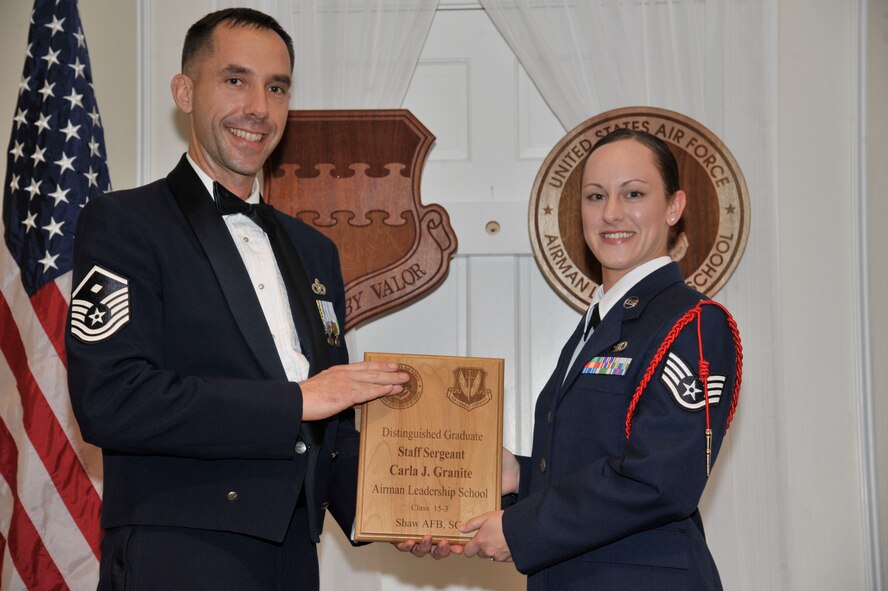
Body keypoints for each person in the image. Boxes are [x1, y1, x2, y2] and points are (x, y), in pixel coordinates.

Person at [66, 8, 408, 590]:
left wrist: (401, 514)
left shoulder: (315, 250)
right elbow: (112, 399)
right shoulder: (125, 223)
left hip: (295, 560)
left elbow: (329, 431)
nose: (258, 106)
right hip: (178, 555)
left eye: (276, 88)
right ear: (184, 91)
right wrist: (296, 400)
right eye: (235, 80)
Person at [401, 128, 742, 590]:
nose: (611, 213)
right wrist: (516, 473)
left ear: (675, 207)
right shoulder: (601, 322)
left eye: (634, 194)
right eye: (596, 196)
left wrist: (520, 530)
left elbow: (659, 481)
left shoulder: (694, 323)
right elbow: (593, 459)